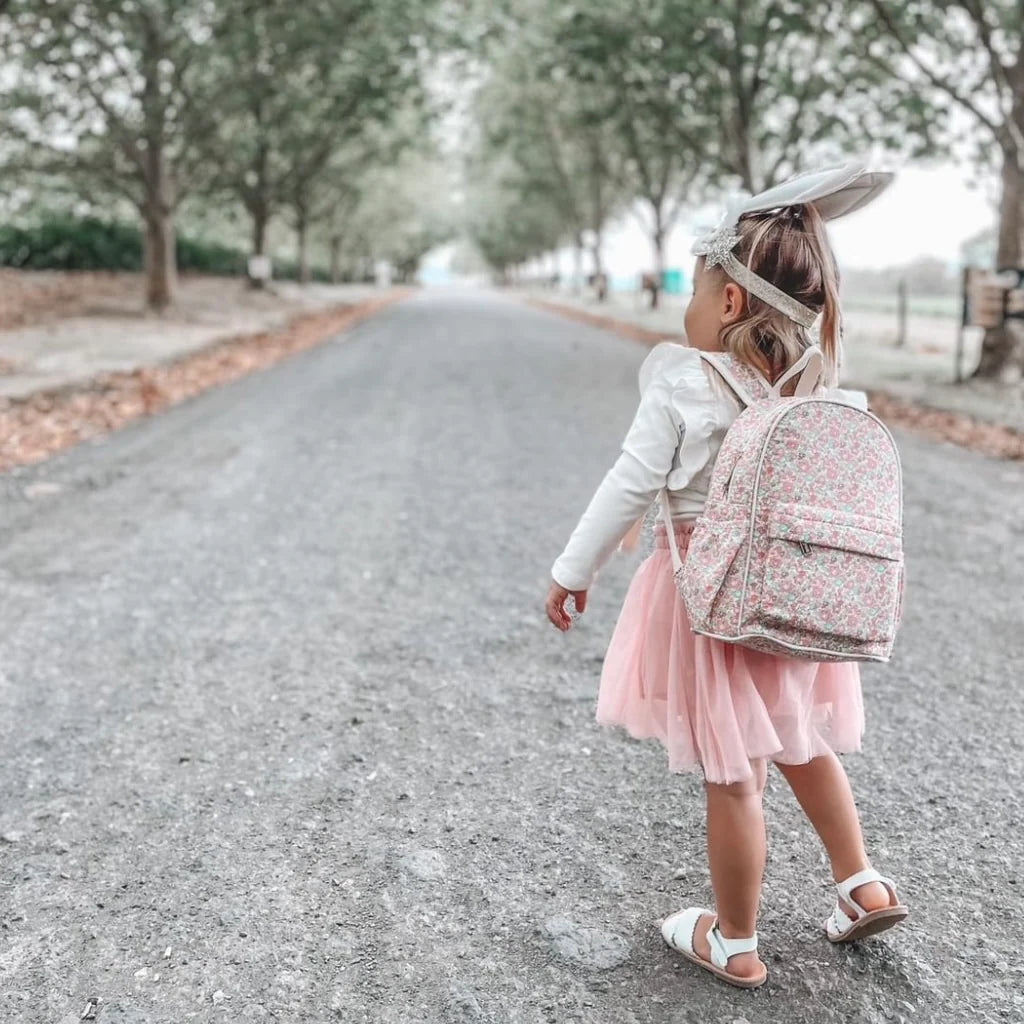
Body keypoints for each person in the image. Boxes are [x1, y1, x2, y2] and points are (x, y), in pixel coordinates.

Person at [544, 164, 908, 989]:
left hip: (708, 605)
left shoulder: (683, 377)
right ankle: (862, 884)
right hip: (790, 601)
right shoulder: (814, 386)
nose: (689, 306)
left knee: (734, 772)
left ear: (731, 303)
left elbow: (630, 484)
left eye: (697, 289)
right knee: (803, 741)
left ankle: (735, 939)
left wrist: (573, 571)